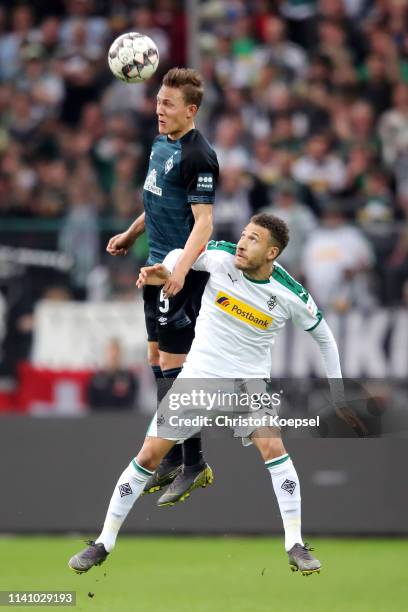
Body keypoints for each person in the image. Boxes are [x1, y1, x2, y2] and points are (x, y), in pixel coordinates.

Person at [69, 214, 365, 576]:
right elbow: (183, 255)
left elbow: (325, 337)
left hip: (248, 383)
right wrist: (162, 271)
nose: (241, 242)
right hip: (199, 377)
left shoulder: (291, 294)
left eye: (253, 239)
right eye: (243, 235)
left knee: (273, 448)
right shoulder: (221, 257)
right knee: (147, 456)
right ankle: (103, 542)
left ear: (272, 251)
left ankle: (295, 544)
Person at [106, 67, 219, 506]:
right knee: (157, 358)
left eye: (168, 104)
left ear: (190, 110)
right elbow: (155, 197)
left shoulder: (199, 155)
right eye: (157, 102)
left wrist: (180, 270)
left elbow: (204, 223)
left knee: (176, 366)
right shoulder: (161, 143)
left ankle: (194, 462)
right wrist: (133, 233)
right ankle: (172, 455)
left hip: (180, 274)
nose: (159, 109)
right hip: (155, 269)